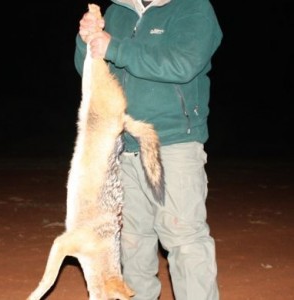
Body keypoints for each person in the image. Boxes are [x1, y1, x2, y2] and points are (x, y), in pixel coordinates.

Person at [74, 0, 223, 298]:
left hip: (173, 144)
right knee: (132, 242)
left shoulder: (193, 8)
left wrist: (115, 47)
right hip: (124, 144)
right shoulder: (119, 10)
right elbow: (89, 71)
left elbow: (183, 63)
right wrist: (87, 40)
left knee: (185, 241)